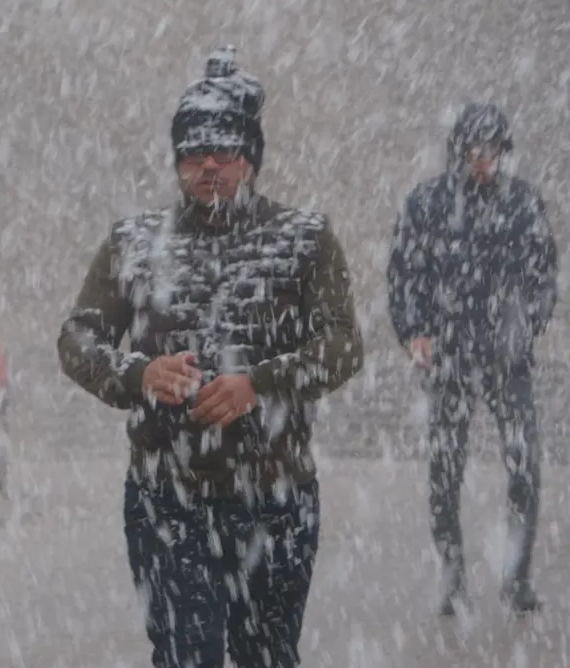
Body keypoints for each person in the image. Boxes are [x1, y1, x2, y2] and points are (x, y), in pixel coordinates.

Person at [57, 46, 365, 668]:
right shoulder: (135, 243)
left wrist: (261, 383)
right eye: (194, 153)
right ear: (176, 162)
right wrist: (138, 374)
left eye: (224, 152)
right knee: (181, 656)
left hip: (274, 496)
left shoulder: (302, 239)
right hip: (165, 496)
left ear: (250, 158)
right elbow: (77, 339)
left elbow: (342, 346)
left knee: (266, 656)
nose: (209, 167)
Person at [386, 102, 558, 616]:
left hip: (509, 360)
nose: (481, 160)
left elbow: (543, 275)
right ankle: (452, 577)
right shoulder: (427, 203)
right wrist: (414, 330)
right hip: (449, 358)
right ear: (457, 151)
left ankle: (516, 578)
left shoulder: (523, 203)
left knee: (525, 466)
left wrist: (525, 326)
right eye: (472, 151)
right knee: (444, 470)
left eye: (491, 151)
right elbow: (404, 273)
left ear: (503, 153)